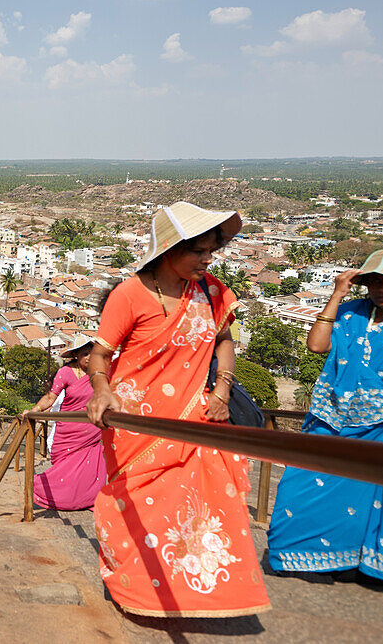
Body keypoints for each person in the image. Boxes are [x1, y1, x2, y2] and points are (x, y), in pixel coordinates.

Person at [86, 201, 270, 618]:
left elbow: (224, 341)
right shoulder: (130, 294)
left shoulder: (214, 291)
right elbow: (100, 356)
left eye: (211, 251)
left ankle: (191, 596)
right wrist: (101, 391)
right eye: (197, 252)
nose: (208, 260)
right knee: (133, 507)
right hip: (135, 423)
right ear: (168, 249)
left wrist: (221, 390)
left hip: (193, 416)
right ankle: (135, 589)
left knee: (193, 511)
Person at [267, 249, 383, 585]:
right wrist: (336, 294)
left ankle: (352, 564)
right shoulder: (349, 313)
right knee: (299, 484)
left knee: (364, 498)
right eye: (375, 281)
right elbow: (317, 346)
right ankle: (293, 556)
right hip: (330, 417)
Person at [20, 334, 106, 510]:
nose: (89, 357)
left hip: (91, 432)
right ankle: (40, 490)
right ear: (76, 355)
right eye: (85, 354)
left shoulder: (101, 373)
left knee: (87, 472)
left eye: (92, 353)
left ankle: (84, 498)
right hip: (68, 430)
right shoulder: (66, 372)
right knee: (65, 473)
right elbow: (51, 396)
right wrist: (34, 411)